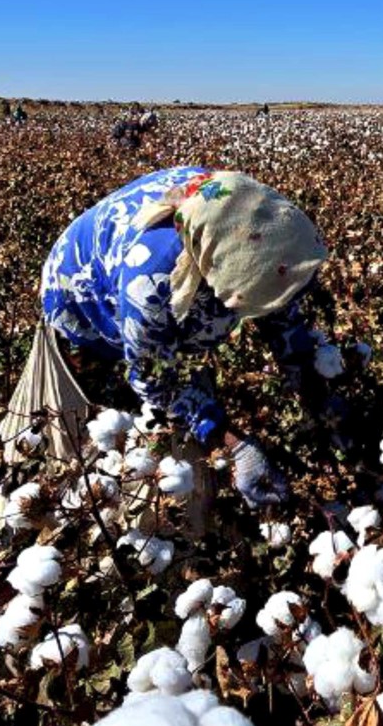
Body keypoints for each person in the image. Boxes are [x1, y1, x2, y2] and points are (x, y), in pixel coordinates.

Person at [40, 167, 337, 507]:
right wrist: (232, 444)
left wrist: (311, 382)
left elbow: (278, 295)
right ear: (223, 280)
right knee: (107, 438)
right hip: (79, 310)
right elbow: (153, 377)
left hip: (168, 279)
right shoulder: (151, 287)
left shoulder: (243, 217)